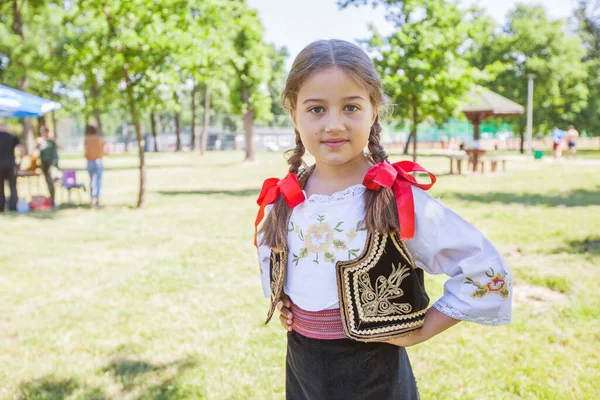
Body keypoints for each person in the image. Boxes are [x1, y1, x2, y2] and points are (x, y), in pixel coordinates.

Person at [254, 40, 512, 399]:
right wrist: (285, 302)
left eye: (351, 107)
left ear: (374, 110)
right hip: (302, 368)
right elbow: (278, 264)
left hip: (374, 376)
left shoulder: (397, 199)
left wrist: (422, 330)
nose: (334, 124)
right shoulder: (285, 198)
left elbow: (487, 271)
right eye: (316, 109)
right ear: (293, 112)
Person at [0, 121, 22, 212]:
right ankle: (13, 207)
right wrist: (20, 159)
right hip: (10, 164)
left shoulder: (12, 137)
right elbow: (20, 148)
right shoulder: (12, 137)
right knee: (12, 185)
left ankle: (1, 207)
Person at [84, 124, 105, 207]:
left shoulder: (87, 140)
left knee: (92, 180)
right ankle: (96, 198)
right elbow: (103, 151)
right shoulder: (100, 139)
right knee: (98, 181)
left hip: (90, 161)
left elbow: (86, 152)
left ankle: (92, 197)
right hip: (98, 161)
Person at [37, 127, 59, 208]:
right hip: (44, 165)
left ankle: (53, 200)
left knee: (51, 183)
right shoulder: (41, 141)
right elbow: (36, 151)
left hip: (51, 165)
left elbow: (57, 151)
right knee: (48, 182)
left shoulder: (52, 141)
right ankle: (51, 199)